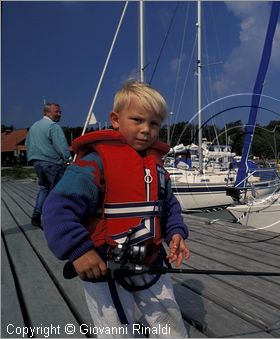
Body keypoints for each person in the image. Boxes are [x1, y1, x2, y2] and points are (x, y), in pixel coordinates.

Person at [42, 81, 190, 337]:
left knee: (170, 324)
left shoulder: (157, 168)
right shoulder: (94, 163)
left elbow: (168, 205)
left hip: (151, 260)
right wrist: (79, 252)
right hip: (103, 266)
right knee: (114, 331)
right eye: (137, 120)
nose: (146, 130)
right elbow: (57, 210)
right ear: (115, 119)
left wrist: (175, 232)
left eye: (154, 124)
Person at [25, 102, 71, 227]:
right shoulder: (53, 127)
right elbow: (61, 146)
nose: (59, 114)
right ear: (47, 113)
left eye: (59, 111)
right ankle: (56, 218)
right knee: (59, 190)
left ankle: (36, 214)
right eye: (56, 111)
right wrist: (69, 159)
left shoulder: (34, 126)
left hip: (37, 162)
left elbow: (27, 144)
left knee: (44, 188)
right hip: (52, 163)